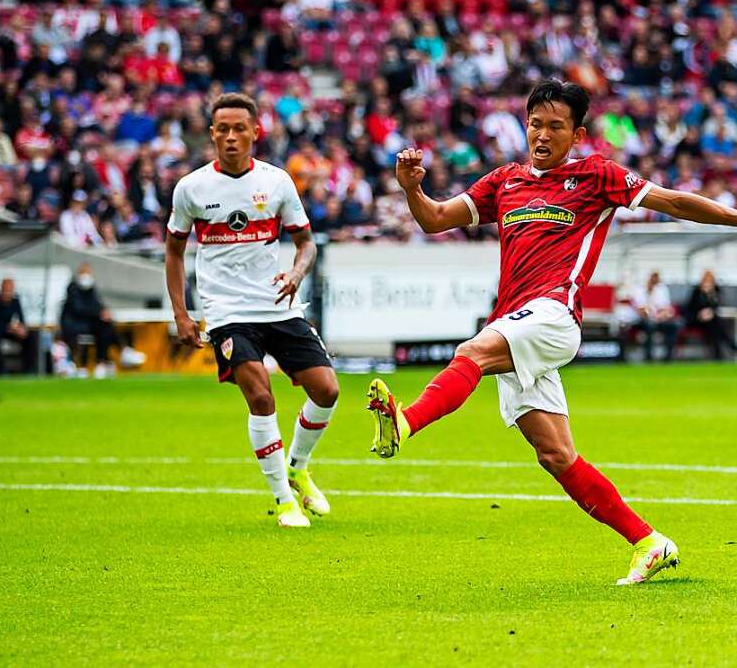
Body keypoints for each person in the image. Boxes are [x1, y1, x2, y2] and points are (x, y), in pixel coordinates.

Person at [365, 79, 737, 584]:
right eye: (535, 124)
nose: (542, 134)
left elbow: (672, 202)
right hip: (515, 321)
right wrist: (412, 188)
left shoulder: (597, 175)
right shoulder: (504, 182)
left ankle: (404, 422)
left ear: (577, 133)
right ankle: (650, 542)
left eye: (555, 126)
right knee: (556, 455)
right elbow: (433, 220)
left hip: (555, 315)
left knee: (472, 351)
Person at [165, 92, 340, 529]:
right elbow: (172, 253)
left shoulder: (278, 182)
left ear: (255, 133)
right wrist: (182, 313)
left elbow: (306, 244)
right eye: (222, 129)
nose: (230, 136)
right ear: (211, 134)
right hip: (226, 312)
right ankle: (284, 500)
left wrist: (297, 274)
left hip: (277, 304)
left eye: (239, 128)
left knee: (327, 391)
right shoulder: (191, 188)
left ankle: (297, 467)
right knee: (261, 395)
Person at [59, 264, 146, 379]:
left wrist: (104, 312)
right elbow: (79, 309)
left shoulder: (91, 289)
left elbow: (97, 304)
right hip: (74, 325)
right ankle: (120, 351)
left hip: (88, 324)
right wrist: (99, 313)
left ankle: (105, 360)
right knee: (104, 326)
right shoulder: (73, 289)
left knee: (106, 326)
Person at [0, 277, 36, 374]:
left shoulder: (15, 301)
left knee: (31, 336)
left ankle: (29, 369)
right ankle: (1, 370)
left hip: (11, 332)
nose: (8, 292)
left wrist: (21, 329)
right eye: (6, 289)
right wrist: (7, 327)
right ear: (1, 288)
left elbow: (21, 319)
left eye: (10, 289)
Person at [685, 270, 737, 359]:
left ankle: (719, 354)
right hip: (697, 319)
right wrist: (701, 313)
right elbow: (690, 307)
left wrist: (710, 295)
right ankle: (732, 347)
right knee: (718, 326)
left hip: (711, 320)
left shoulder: (715, 290)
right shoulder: (697, 291)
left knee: (715, 327)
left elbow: (716, 306)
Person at [630, 271, 679, 362]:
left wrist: (660, 316)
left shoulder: (662, 289)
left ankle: (668, 356)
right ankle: (648, 357)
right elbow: (640, 309)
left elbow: (665, 308)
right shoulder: (639, 289)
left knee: (673, 326)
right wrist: (651, 315)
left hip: (659, 319)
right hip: (642, 320)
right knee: (650, 325)